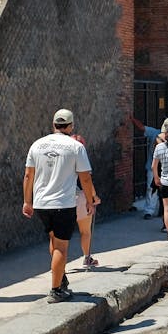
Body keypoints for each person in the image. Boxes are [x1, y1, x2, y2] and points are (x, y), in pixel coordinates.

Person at [22, 109, 99, 303]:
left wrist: (27, 201)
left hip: (41, 203)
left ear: (53, 124)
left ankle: (61, 278)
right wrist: (90, 200)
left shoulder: (37, 145)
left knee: (54, 241)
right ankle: (56, 290)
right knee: (61, 248)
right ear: (71, 126)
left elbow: (28, 175)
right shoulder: (75, 147)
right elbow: (85, 178)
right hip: (63, 203)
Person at [71, 134, 100, 268]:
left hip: (62, 198)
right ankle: (87, 258)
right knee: (85, 231)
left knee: (59, 236)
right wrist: (93, 197)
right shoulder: (82, 159)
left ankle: (59, 266)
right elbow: (87, 181)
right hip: (80, 197)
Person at [131, 117, 160, 219]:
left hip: (165, 168)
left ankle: (167, 212)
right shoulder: (155, 133)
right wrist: (132, 118)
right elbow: (142, 127)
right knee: (151, 189)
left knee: (164, 190)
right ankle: (149, 210)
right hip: (153, 168)